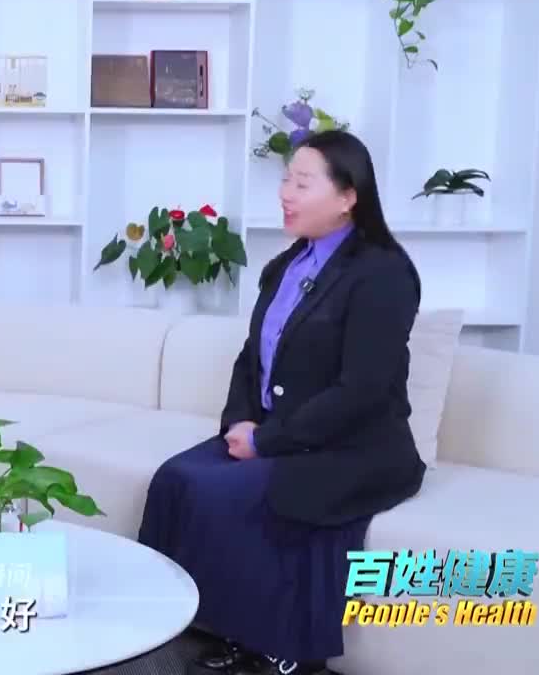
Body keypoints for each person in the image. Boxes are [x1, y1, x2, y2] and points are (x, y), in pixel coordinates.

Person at [137, 130, 427, 675]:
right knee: (175, 480)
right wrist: (241, 421)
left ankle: (276, 648)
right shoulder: (289, 265)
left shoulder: (383, 273)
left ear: (348, 197)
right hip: (281, 431)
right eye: (286, 180)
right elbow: (252, 357)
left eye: (302, 183)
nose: (285, 193)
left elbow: (362, 390)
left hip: (354, 447)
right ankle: (171, 629)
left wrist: (267, 441)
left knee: (225, 493)